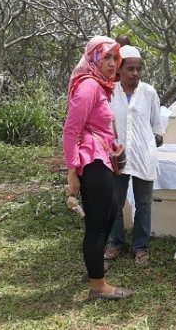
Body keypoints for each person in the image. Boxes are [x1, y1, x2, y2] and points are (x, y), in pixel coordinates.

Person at [63, 35, 133, 300]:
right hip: (91, 161)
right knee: (97, 224)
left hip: (100, 156)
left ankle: (93, 269)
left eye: (116, 58)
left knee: (110, 210)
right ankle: (98, 286)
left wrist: (113, 144)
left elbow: (96, 125)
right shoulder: (89, 86)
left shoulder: (99, 86)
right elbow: (70, 131)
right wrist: (72, 173)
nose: (113, 63)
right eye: (107, 57)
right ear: (93, 57)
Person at [103, 45, 165, 265]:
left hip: (144, 155)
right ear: (119, 69)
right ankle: (116, 242)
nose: (135, 74)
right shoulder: (109, 91)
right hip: (117, 157)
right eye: (130, 69)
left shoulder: (148, 92)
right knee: (114, 202)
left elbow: (157, 126)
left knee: (144, 204)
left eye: (139, 69)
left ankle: (141, 246)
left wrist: (150, 142)